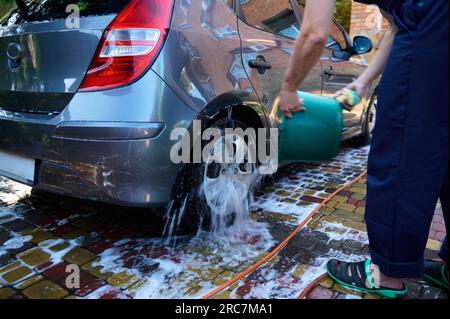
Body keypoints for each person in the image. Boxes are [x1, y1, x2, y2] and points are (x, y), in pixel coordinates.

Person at [280, 0, 449, 298]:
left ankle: (386, 273)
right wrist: (360, 83)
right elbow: (398, 25)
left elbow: (314, 34)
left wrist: (289, 88)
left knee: (401, 149)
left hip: (431, 24)